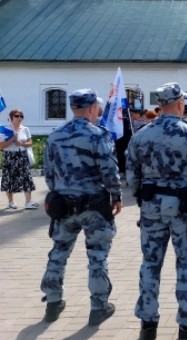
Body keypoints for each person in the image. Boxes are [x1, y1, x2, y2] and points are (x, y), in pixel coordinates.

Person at [126, 82, 187, 340]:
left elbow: (131, 175)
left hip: (151, 208)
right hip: (184, 210)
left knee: (150, 264)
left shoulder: (141, 135)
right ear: (178, 104)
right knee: (186, 264)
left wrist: (141, 198)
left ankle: (148, 324)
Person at [41, 89, 123, 325]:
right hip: (93, 206)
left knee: (58, 254)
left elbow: (48, 173)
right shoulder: (98, 135)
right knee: (97, 257)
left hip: (62, 206)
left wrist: (60, 192)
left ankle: (53, 303)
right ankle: (98, 307)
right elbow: (109, 172)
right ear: (92, 108)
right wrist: (116, 196)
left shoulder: (55, 135)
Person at [0, 109, 37, 209]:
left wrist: (21, 143)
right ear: (11, 117)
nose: (19, 118)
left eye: (21, 116)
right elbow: (1, 146)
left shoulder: (25, 129)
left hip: (22, 155)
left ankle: (28, 202)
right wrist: (12, 139)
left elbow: (30, 143)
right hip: (9, 155)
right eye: (17, 116)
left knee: (27, 177)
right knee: (9, 178)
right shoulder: (5, 130)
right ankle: (11, 202)